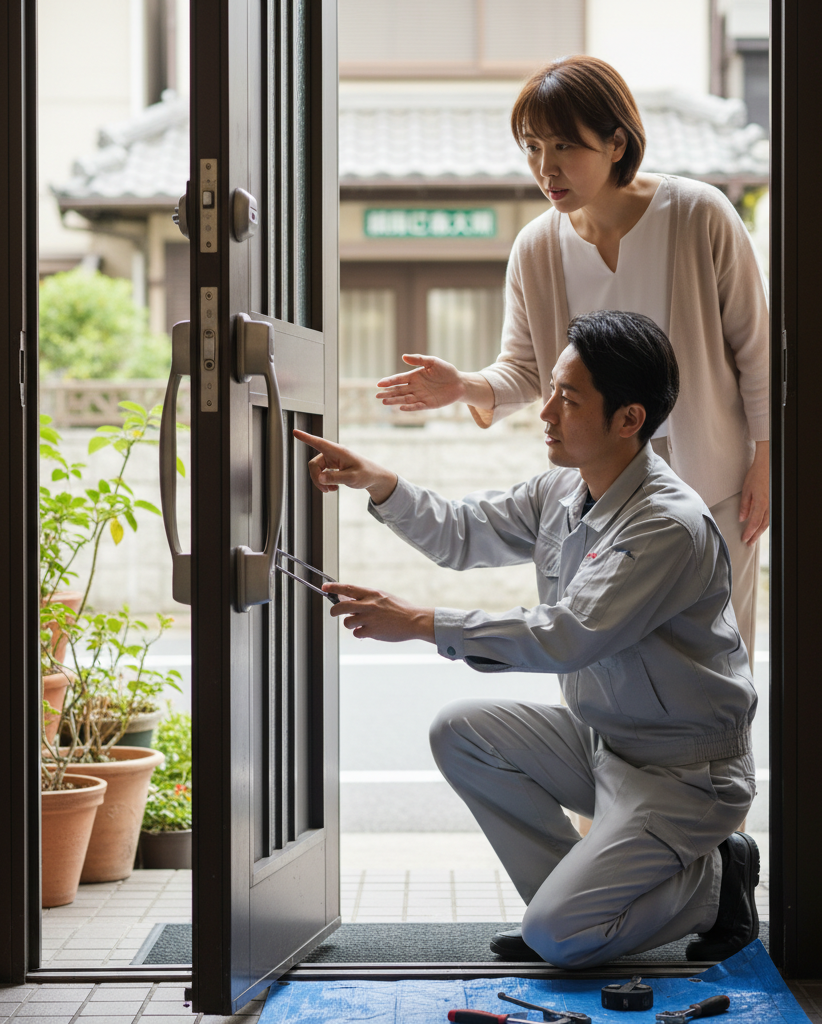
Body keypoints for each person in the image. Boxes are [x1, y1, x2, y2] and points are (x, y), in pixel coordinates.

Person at [296, 311, 759, 968]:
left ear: (628, 420)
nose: (544, 412)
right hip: (607, 747)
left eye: (568, 399)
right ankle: (568, 906)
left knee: (560, 938)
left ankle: (716, 881)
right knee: (462, 731)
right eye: (551, 391)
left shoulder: (667, 525)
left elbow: (567, 636)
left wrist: (421, 622)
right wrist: (379, 482)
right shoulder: (564, 489)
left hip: (683, 774)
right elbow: (462, 533)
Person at [373, 55, 769, 667]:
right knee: (607, 668)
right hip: (604, 492)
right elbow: (525, 372)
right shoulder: (536, 245)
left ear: (617, 142)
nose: (545, 168)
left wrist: (766, 457)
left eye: (563, 146)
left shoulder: (699, 214)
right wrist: (463, 387)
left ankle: (715, 770)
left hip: (709, 486)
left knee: (715, 661)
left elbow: (756, 348)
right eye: (531, 147)